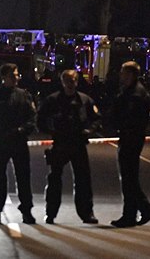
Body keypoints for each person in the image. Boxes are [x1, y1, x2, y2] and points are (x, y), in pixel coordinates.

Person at [37, 70, 100, 224]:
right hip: (60, 144)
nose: (70, 84)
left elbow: (97, 119)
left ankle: (87, 213)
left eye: (73, 81)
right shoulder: (52, 100)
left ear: (77, 82)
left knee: (83, 180)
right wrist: (51, 131)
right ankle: (50, 212)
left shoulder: (85, 100)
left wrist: (89, 130)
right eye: (67, 81)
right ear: (62, 82)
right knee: (54, 180)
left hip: (78, 143)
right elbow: (40, 120)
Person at [0, 63, 37, 225]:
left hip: (19, 141)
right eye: (13, 75)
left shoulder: (24, 96)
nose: (16, 78)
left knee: (23, 178)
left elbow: (32, 118)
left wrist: (22, 131)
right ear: (4, 77)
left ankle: (26, 211)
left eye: (17, 75)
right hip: (1, 142)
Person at [109, 61, 150, 227]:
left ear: (130, 74)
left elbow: (130, 118)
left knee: (128, 177)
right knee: (130, 177)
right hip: (132, 137)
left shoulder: (135, 95)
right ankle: (135, 212)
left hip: (131, 138)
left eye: (123, 72)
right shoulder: (134, 91)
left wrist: (118, 125)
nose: (121, 75)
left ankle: (139, 210)